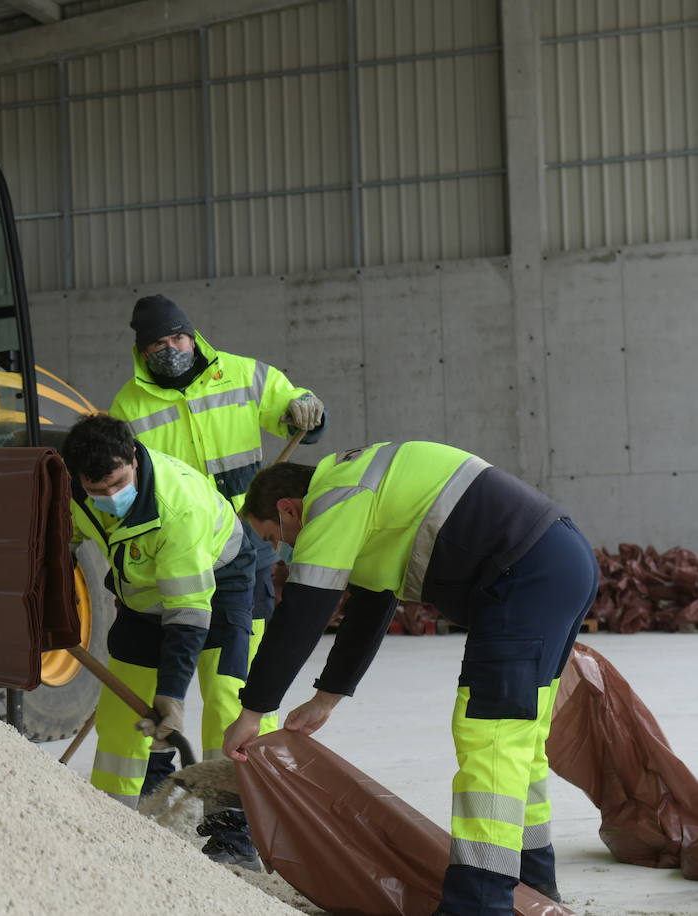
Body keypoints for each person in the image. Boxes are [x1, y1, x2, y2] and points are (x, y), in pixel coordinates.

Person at [223, 441, 599, 914]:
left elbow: (304, 609)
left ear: (288, 509)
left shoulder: (334, 498)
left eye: (277, 536)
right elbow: (370, 603)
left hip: (523, 575)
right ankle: (533, 883)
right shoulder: (364, 490)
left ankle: (480, 904)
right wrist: (327, 698)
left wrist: (254, 710)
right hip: (560, 561)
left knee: (490, 734)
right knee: (520, 736)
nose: (285, 550)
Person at [108, 294, 326, 790]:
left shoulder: (243, 375)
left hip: (243, 555)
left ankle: (236, 809)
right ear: (142, 352)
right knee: (168, 676)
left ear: (193, 335)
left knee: (234, 687)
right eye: (159, 343)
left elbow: (297, 414)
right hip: (177, 560)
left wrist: (305, 409)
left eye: (178, 337)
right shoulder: (128, 407)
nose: (171, 348)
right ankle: (158, 783)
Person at [60, 413, 259, 868]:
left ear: (133, 457)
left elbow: (187, 615)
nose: (110, 498)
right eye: (98, 490)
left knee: (226, 700)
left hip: (219, 582)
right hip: (140, 591)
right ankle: (116, 819)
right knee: (119, 710)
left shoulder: (178, 508)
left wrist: (171, 695)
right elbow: (65, 536)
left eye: (118, 483)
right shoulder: (78, 492)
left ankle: (233, 831)